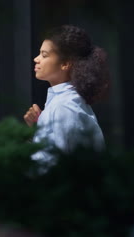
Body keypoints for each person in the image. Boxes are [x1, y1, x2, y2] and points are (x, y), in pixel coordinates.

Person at [24, 25, 109, 171]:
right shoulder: (66, 102)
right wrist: (37, 130)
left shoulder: (63, 106)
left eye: (44, 55)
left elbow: (56, 167)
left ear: (65, 64)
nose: (36, 59)